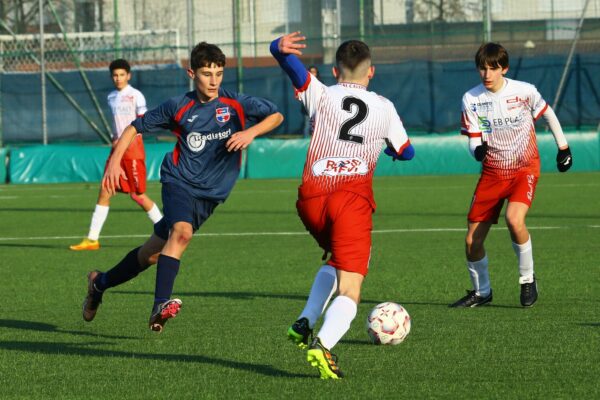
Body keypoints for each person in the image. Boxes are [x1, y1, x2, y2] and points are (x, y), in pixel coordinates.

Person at [82, 42, 283, 332]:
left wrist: (250, 132)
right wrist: (114, 162)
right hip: (179, 181)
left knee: (151, 254)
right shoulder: (178, 106)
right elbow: (134, 128)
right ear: (192, 73)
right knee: (182, 232)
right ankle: (159, 307)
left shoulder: (235, 102)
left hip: (210, 196)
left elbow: (276, 115)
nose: (213, 81)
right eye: (206, 73)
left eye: (219, 73)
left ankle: (98, 284)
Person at [270, 32, 415, 379]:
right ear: (371, 72)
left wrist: (278, 49)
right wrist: (392, 150)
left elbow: (292, 69)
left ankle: (305, 320)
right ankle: (323, 345)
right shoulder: (384, 106)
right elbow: (406, 150)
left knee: (337, 260)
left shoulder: (319, 92)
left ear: (335, 72)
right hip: (351, 200)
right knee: (351, 287)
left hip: (311, 199)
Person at [450, 42, 572, 309]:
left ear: (503, 68)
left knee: (514, 219)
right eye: (482, 68)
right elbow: (473, 139)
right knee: (472, 241)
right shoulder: (472, 99)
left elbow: (548, 114)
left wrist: (563, 147)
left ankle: (527, 279)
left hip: (524, 167)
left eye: (492, 68)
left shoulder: (524, 91)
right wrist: (477, 151)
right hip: (493, 173)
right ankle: (482, 292)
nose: (486, 74)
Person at [70, 59, 163, 251]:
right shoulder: (111, 97)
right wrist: (115, 139)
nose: (118, 78)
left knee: (138, 195)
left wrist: (127, 139)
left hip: (133, 148)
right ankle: (92, 239)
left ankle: (167, 231)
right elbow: (117, 125)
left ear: (128, 76)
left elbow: (143, 121)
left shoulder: (136, 95)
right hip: (116, 149)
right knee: (106, 189)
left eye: (122, 75)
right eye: (115, 75)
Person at [301, 66, 320, 137]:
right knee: (307, 125)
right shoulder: (304, 82)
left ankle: (316, 140)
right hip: (307, 109)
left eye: (314, 72)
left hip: (318, 109)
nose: (312, 74)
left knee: (317, 126)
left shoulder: (320, 83)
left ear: (317, 73)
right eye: (311, 72)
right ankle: (305, 142)